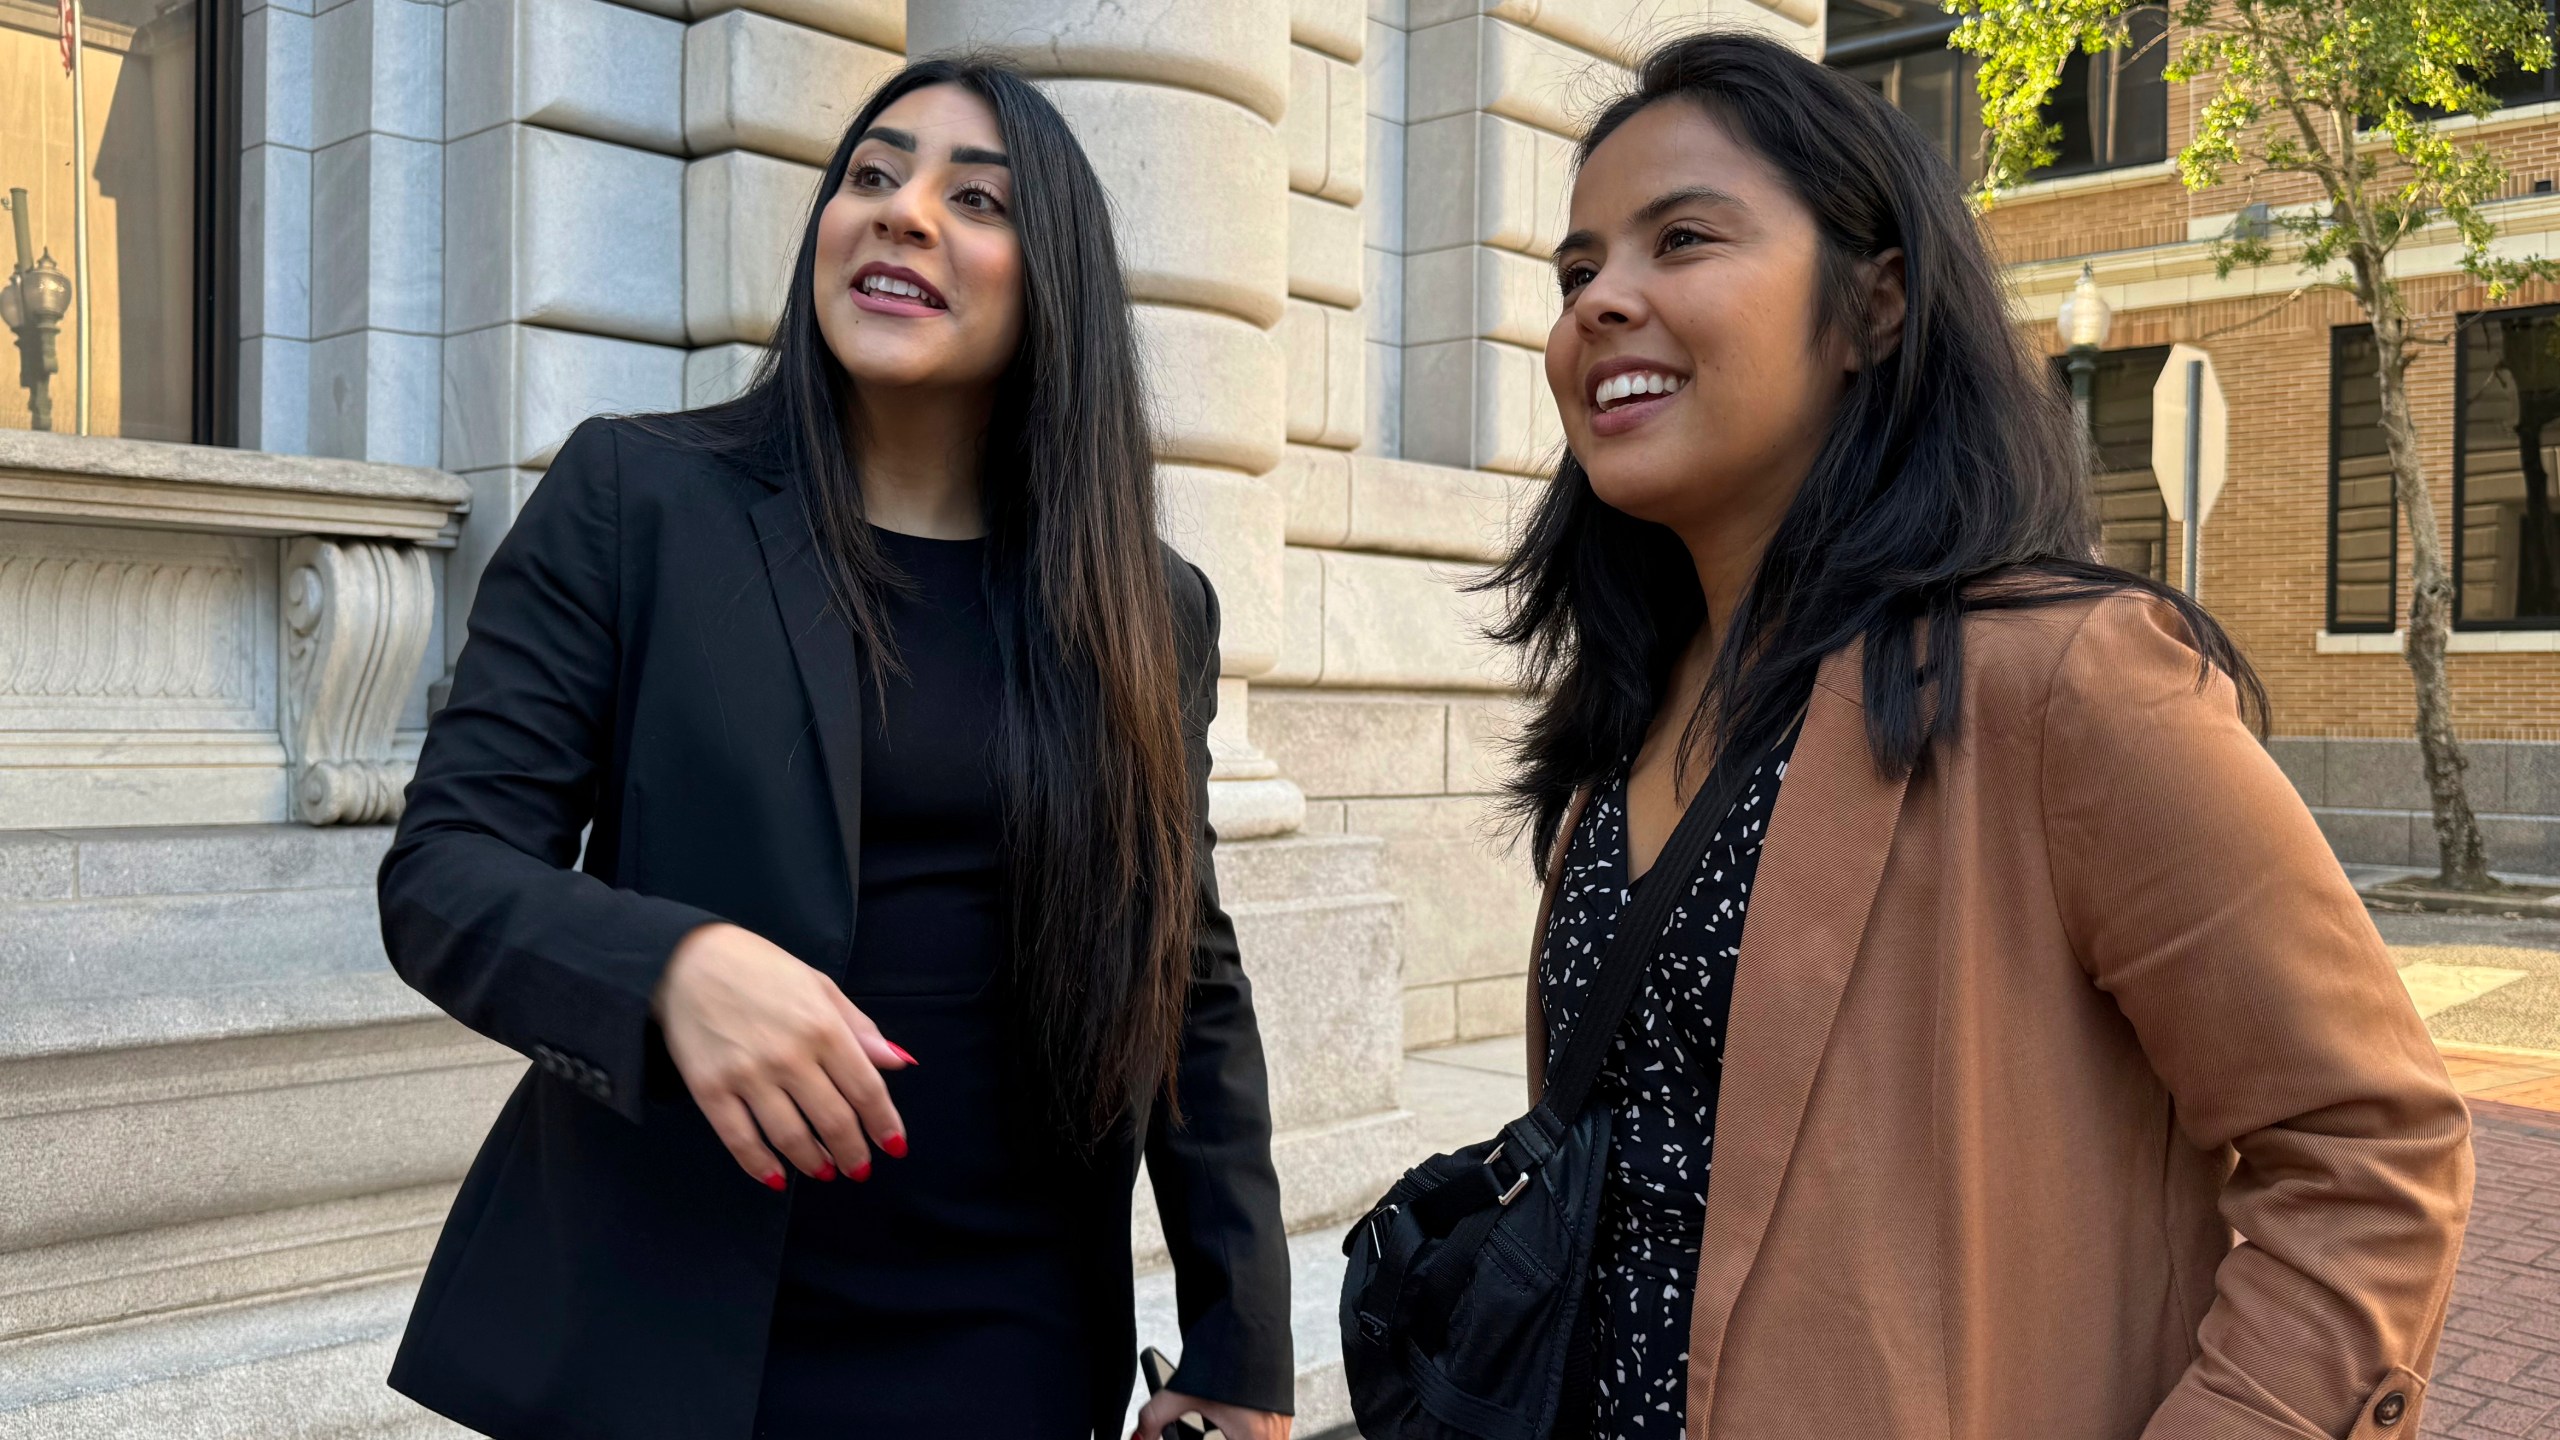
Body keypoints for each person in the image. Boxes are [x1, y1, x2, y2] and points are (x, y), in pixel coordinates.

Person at [1490, 31, 2473, 1439]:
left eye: (1682, 239)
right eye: (1578, 271)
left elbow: (2372, 1150)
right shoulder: (1627, 721)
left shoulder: (2064, 685)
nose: (1601, 304)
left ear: (1872, 306)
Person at [376, 59, 1292, 1440]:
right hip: (674, 1337)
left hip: (1011, 1343)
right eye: (869, 176)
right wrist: (671, 969)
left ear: (1055, 287)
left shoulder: (1150, 606)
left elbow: (1186, 975)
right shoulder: (637, 500)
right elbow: (442, 871)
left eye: (971, 199)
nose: (899, 213)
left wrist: (1241, 1344)